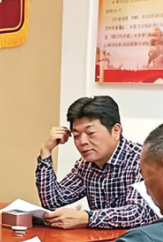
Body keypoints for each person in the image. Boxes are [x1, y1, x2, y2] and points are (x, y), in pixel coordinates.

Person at [36, 96, 155, 229]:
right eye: (76, 136)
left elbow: (139, 213)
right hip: (103, 239)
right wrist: (46, 152)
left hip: (141, 239)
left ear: (116, 131)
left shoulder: (142, 160)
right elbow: (53, 201)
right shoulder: (86, 165)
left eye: (90, 133)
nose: (82, 142)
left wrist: (87, 217)